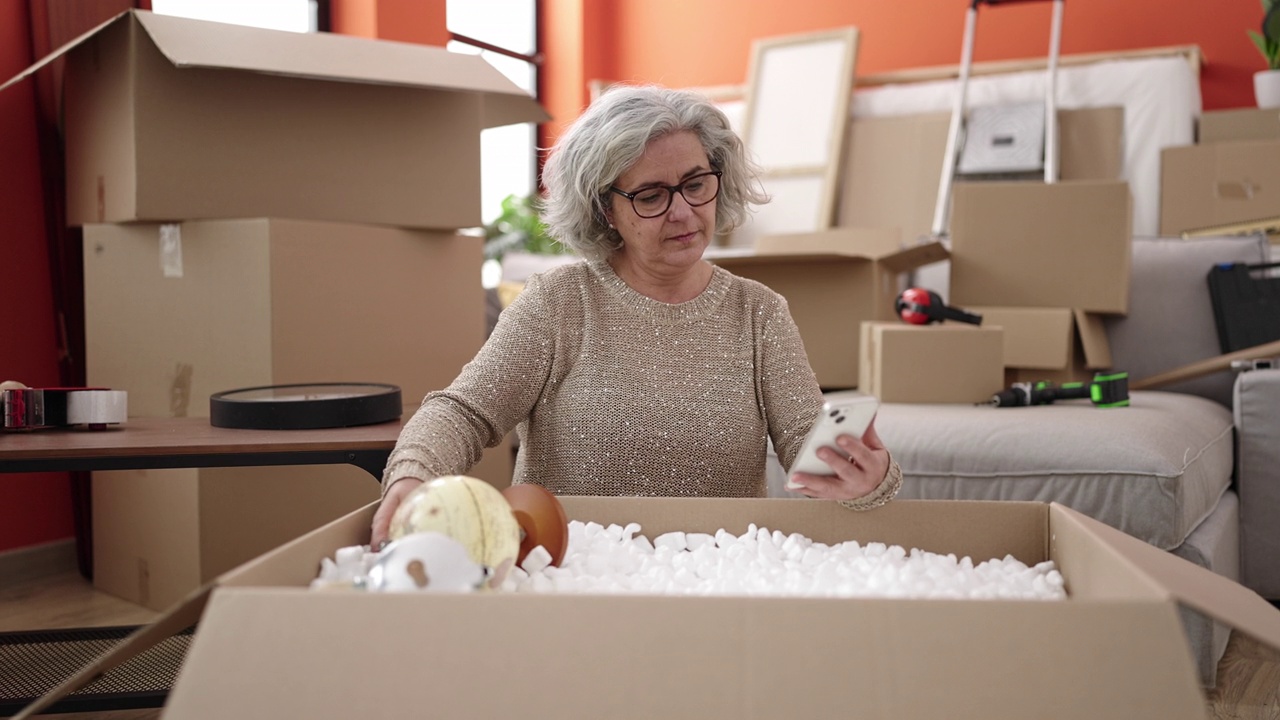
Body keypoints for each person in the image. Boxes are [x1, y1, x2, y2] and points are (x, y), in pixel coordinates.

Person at [370, 84, 901, 548]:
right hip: (573, 573)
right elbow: (463, 413)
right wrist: (412, 479)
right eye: (651, 195)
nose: (683, 211)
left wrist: (867, 478)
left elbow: (812, 451)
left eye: (695, 184)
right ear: (606, 209)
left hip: (725, 576)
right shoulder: (557, 304)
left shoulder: (759, 313)